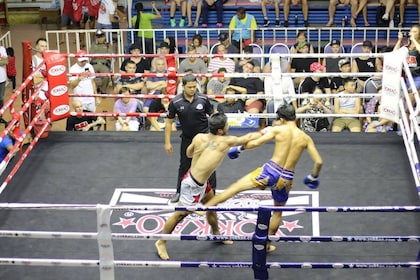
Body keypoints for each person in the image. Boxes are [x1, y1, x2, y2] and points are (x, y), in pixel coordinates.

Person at [204, 104, 323, 253]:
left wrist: (239, 149)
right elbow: (319, 161)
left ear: (282, 119)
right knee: (278, 212)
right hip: (286, 178)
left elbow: (258, 142)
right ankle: (266, 245)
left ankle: (205, 208)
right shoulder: (305, 138)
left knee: (234, 189)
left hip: (270, 171)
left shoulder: (279, 129)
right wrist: (313, 176)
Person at [156, 112, 263, 260]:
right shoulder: (226, 141)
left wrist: (202, 156)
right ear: (220, 130)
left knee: (212, 207)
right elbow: (248, 138)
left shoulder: (199, 137)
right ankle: (161, 242)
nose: (228, 126)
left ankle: (216, 234)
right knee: (179, 215)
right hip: (192, 185)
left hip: (201, 182)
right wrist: (267, 131)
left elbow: (188, 153)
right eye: (226, 125)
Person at [164, 74, 215, 203]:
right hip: (187, 138)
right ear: (183, 86)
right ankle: (179, 192)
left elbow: (214, 117)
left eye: (194, 87)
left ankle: (213, 192)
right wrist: (167, 142)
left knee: (209, 164)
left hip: (204, 137)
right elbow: (169, 122)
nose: (193, 89)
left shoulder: (203, 99)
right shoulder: (176, 102)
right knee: (184, 166)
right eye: (190, 87)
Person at [89, 29, 113, 94]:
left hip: (104, 64)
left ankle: (103, 90)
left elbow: (109, 56)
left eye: (101, 36)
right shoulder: (93, 44)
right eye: (98, 37)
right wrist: (103, 56)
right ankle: (95, 89)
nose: (100, 38)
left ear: (104, 37)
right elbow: (91, 55)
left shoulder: (108, 45)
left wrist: (97, 55)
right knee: (89, 75)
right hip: (94, 64)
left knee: (106, 76)